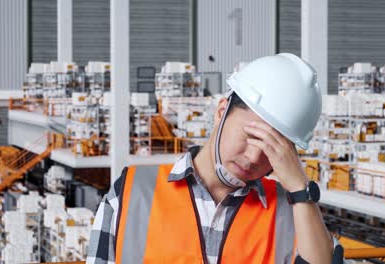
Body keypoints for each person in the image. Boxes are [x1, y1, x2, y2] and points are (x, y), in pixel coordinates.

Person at [87, 53, 344, 264]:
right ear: (222, 112)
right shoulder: (130, 192)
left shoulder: (291, 211)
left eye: (271, 148)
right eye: (250, 136)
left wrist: (301, 190)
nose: (253, 157)